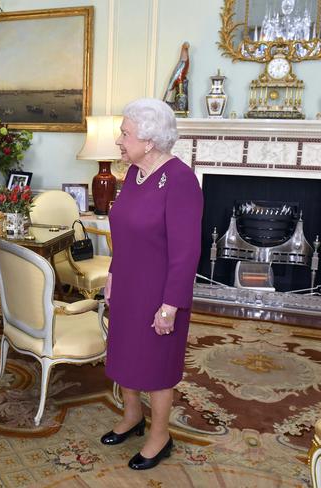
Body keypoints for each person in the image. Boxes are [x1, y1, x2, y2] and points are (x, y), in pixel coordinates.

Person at [100, 98, 203, 470]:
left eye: (125, 134)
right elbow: (124, 232)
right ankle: (132, 417)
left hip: (160, 292)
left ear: (149, 140)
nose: (119, 140)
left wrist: (171, 304)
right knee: (124, 354)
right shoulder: (135, 174)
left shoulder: (180, 180)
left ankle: (160, 436)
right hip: (128, 284)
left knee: (158, 366)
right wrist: (113, 273)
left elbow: (187, 251)